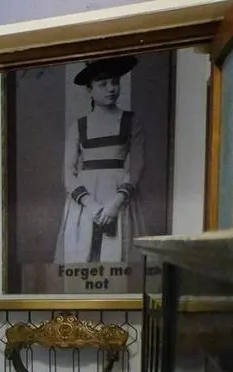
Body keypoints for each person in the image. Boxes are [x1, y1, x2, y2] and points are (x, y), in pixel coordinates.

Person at [54, 56, 146, 265]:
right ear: (89, 90)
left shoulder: (132, 122)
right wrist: (92, 206)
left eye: (115, 82)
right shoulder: (78, 127)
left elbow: (137, 166)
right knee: (82, 255)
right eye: (103, 84)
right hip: (85, 201)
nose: (111, 88)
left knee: (118, 256)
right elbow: (68, 173)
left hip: (119, 196)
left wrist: (115, 204)